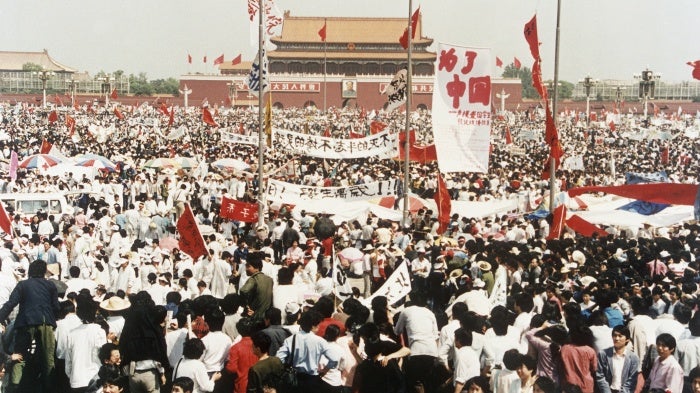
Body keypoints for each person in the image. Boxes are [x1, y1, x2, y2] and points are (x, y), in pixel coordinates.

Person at [0, 259, 60, 393]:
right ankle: (48, 387)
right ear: (44, 271)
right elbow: (56, 307)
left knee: (20, 355)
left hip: (25, 322)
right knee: (48, 358)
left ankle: (15, 386)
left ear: (30, 271)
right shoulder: (50, 285)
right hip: (46, 321)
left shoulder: (22, 284)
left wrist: (0, 318)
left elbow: (11, 303)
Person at [276, 310, 340, 393]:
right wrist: (325, 370)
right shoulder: (320, 341)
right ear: (313, 326)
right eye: (318, 325)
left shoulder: (291, 339)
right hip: (312, 380)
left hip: (295, 379)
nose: (318, 328)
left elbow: (279, 358)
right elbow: (334, 359)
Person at [594, 325, 639, 393]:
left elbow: (631, 381)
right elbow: (600, 376)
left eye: (620, 336)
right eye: (614, 335)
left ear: (627, 339)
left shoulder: (633, 358)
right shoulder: (603, 354)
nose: (616, 338)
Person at [239, 251, 273, 321]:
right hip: (266, 317)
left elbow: (243, 291)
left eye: (248, 266)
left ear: (256, 267)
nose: (246, 269)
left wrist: (246, 306)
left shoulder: (253, 279)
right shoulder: (269, 280)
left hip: (255, 317)